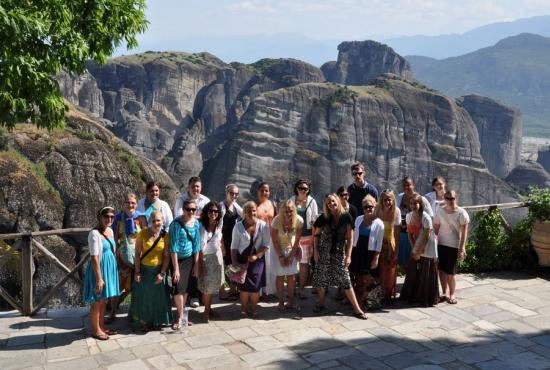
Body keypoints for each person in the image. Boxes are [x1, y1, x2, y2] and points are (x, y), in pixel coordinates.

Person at [311, 194, 368, 320]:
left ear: (338, 201)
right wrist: (315, 251)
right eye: (328, 202)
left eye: (333, 201)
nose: (331, 203)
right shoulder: (324, 217)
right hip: (324, 251)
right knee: (322, 278)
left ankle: (357, 309)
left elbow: (350, 238)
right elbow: (316, 234)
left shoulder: (347, 217)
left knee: (345, 279)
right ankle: (320, 303)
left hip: (338, 252)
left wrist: (348, 256)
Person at [82, 206, 120, 341]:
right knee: (97, 301)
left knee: (104, 300)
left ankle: (102, 326)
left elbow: (112, 250)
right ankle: (96, 330)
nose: (109, 219)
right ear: (100, 217)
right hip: (99, 271)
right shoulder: (94, 234)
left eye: (111, 217)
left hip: (108, 269)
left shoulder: (110, 230)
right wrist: (99, 278)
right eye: (106, 216)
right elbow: (94, 257)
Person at [130, 211, 171, 331]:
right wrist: (137, 272)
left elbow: (166, 256)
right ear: (149, 221)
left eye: (158, 220)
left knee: (158, 298)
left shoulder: (165, 236)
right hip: (144, 270)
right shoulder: (142, 233)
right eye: (153, 220)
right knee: (145, 297)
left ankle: (157, 321)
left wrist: (162, 273)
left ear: (162, 221)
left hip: (158, 270)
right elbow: (137, 254)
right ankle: (144, 322)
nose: (156, 223)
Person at [109, 193, 147, 322]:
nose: (130, 205)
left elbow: (145, 235)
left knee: (135, 286)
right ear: (123, 204)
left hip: (137, 256)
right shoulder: (117, 218)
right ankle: (113, 312)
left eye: (133, 203)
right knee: (117, 286)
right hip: (121, 257)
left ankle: (133, 312)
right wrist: (114, 254)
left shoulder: (141, 217)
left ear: (136, 204)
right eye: (127, 202)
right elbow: (114, 237)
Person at [173, 176, 210, 308]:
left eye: (198, 186)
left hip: (203, 237)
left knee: (199, 266)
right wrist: (198, 216)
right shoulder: (181, 199)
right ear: (189, 187)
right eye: (193, 186)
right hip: (186, 239)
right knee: (189, 269)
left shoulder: (205, 200)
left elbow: (210, 216)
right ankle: (189, 296)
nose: (196, 189)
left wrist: (192, 215)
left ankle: (197, 295)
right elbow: (178, 216)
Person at [231, 201, 271, 318]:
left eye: (253, 210)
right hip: (242, 260)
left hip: (257, 261)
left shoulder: (263, 225)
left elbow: (266, 245)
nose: (252, 213)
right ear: (244, 213)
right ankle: (243, 309)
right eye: (249, 211)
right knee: (243, 287)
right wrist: (234, 263)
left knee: (255, 288)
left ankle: (253, 309)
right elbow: (233, 247)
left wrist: (257, 255)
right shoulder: (238, 226)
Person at [399, 194, 439, 306]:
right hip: (416, 245)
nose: (412, 205)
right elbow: (410, 234)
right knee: (413, 271)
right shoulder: (408, 216)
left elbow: (426, 237)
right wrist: (414, 249)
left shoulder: (426, 217)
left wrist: (420, 251)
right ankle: (412, 295)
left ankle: (425, 297)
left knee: (426, 271)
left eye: (415, 203)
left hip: (428, 246)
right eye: (411, 203)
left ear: (420, 204)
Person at [169, 199, 201, 330]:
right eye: (188, 209)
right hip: (177, 259)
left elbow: (197, 245)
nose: (191, 212)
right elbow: (173, 247)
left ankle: (181, 315)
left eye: (194, 209)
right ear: (183, 210)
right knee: (178, 288)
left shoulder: (196, 223)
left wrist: (196, 264)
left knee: (186, 289)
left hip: (189, 259)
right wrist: (176, 269)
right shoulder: (176, 224)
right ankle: (180, 316)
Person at [434, 190, 470, 305]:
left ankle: (452, 294)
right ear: (444, 198)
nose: (450, 200)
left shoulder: (461, 213)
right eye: (448, 198)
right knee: (441, 271)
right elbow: (436, 227)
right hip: (440, 244)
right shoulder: (440, 211)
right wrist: (432, 243)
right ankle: (444, 292)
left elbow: (464, 232)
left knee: (450, 272)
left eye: (452, 198)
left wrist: (462, 248)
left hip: (453, 245)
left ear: (456, 199)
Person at [350, 195, 384, 308]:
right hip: (358, 251)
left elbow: (379, 242)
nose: (368, 209)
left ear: (375, 207)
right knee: (358, 277)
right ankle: (358, 299)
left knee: (369, 279)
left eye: (370, 206)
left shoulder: (379, 223)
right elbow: (354, 236)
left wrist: (376, 257)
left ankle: (368, 301)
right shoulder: (359, 219)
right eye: (365, 207)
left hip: (370, 254)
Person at [271, 200, 303, 312]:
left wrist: (291, 255)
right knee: (280, 276)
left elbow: (297, 240)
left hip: (291, 248)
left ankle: (291, 301)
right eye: (285, 211)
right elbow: (274, 240)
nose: (288, 213)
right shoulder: (276, 221)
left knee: (291, 276)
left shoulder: (299, 220)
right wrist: (280, 256)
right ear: (281, 211)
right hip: (278, 248)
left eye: (290, 211)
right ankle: (280, 302)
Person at [289, 179, 318, 299]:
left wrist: (313, 240)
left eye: (305, 189)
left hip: (307, 237)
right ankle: (292, 289)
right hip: (292, 237)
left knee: (304, 264)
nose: (303, 190)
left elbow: (315, 222)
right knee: (292, 263)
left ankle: (301, 289)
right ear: (296, 189)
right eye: (300, 188)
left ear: (308, 190)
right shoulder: (291, 200)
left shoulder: (312, 202)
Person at [396, 177, 433, 269]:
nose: (406, 187)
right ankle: (409, 279)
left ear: (413, 185)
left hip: (417, 235)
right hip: (403, 234)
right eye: (404, 185)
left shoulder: (422, 199)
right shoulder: (400, 197)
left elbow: (430, 217)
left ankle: (416, 281)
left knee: (416, 260)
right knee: (403, 260)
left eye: (408, 185)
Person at [198, 201, 225, 322]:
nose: (213, 213)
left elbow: (220, 239)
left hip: (217, 257)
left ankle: (208, 308)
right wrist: (201, 265)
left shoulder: (218, 225)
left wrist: (223, 250)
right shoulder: (202, 226)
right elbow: (199, 247)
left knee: (214, 285)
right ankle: (206, 313)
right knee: (207, 287)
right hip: (206, 259)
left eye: (216, 211)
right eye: (211, 211)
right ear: (206, 212)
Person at [375, 190, 401, 303]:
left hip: (390, 245)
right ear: (381, 200)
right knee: (378, 270)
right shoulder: (377, 209)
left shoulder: (397, 212)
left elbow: (397, 233)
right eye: (385, 199)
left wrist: (396, 251)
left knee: (389, 270)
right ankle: (377, 295)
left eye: (389, 199)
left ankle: (388, 295)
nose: (387, 201)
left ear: (393, 200)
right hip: (377, 244)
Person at [219, 184, 243, 300]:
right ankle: (226, 290)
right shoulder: (221, 207)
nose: (234, 195)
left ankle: (233, 289)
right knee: (224, 265)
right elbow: (219, 228)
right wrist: (222, 244)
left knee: (232, 264)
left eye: (236, 194)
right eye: (232, 193)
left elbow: (244, 216)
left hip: (233, 240)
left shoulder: (235, 206)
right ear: (226, 193)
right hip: (224, 239)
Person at [255, 182, 276, 298]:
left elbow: (275, 221)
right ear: (258, 191)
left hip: (271, 237)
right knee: (259, 265)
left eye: (266, 190)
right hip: (258, 238)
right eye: (262, 190)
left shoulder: (272, 204)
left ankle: (268, 291)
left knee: (269, 265)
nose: (264, 193)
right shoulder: (254, 204)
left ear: (269, 192)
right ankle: (257, 292)